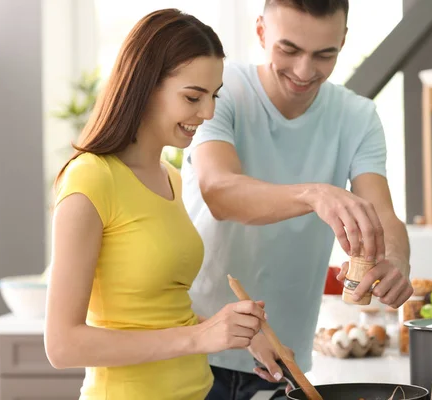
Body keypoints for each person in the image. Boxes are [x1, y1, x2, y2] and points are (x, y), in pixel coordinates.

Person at [181, 1, 414, 399]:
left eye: (325, 54)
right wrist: (314, 194)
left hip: (281, 357)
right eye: (288, 50)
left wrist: (394, 261)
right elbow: (220, 191)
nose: (305, 71)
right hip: (196, 340)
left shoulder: (357, 117)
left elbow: (383, 215)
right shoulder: (221, 90)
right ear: (260, 33)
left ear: (342, 41)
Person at [44, 8, 267, 400]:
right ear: (146, 86)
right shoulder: (91, 178)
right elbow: (63, 345)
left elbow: (161, 313)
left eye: (213, 96)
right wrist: (200, 337)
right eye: (193, 96)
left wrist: (232, 332)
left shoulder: (171, 177)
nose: (209, 112)